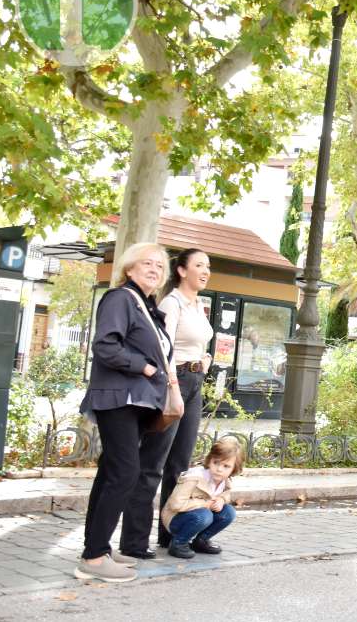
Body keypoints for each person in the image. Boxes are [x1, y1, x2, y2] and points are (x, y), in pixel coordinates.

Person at [74, 243, 176, 583]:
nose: (154, 269)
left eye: (159, 266)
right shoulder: (120, 298)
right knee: (125, 474)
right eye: (146, 263)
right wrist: (145, 368)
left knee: (110, 474)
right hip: (118, 398)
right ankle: (93, 558)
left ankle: (97, 548)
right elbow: (105, 346)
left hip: (133, 402)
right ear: (129, 269)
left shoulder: (145, 305)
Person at [151, 248, 215, 550]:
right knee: (158, 460)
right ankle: (139, 538)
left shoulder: (198, 303)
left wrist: (205, 358)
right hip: (173, 382)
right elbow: (163, 349)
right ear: (181, 270)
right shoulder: (172, 302)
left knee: (181, 464)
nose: (205, 271)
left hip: (194, 382)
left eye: (208, 266)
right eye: (199, 265)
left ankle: (172, 533)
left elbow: (196, 342)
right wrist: (174, 387)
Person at [161, 436, 242, 558]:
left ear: (234, 469)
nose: (219, 469)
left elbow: (226, 493)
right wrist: (205, 504)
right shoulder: (194, 477)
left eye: (226, 466)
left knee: (229, 512)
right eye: (216, 462)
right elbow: (175, 504)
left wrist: (221, 500)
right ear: (209, 460)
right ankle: (178, 543)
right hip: (175, 519)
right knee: (205, 515)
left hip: (198, 515)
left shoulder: (224, 479)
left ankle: (201, 542)